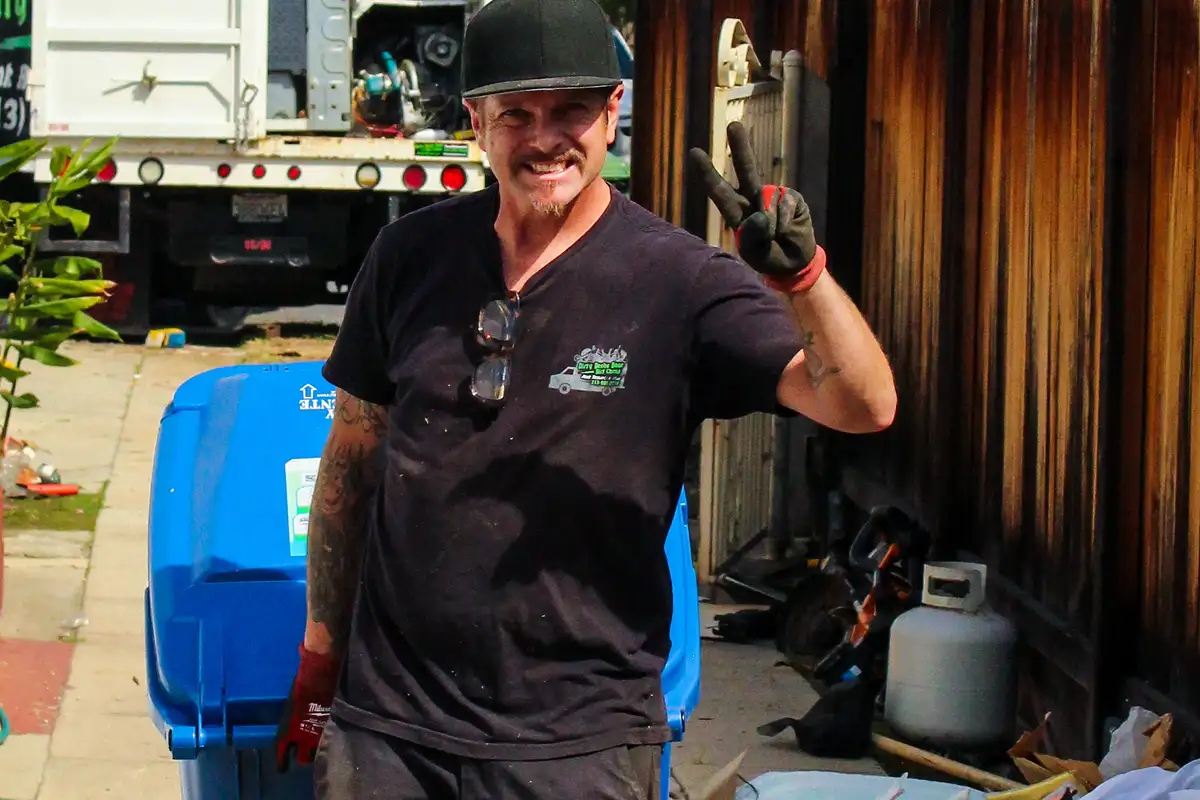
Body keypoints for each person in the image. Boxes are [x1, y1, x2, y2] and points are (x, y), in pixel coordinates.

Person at [273, 0, 896, 796]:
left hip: (579, 742)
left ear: (610, 115)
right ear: (476, 122)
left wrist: (803, 282)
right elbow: (352, 465)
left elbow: (863, 405)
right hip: (392, 730)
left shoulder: (677, 281)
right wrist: (322, 653)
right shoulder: (409, 257)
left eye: (570, 110)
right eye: (517, 114)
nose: (544, 139)